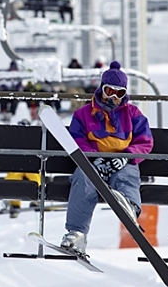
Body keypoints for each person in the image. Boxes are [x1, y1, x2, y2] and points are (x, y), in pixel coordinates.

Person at [60, 61, 154, 255]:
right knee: (83, 179)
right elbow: (77, 139)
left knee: (127, 176)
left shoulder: (133, 114)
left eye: (119, 93)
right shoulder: (83, 114)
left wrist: (127, 157)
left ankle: (129, 207)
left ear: (124, 94)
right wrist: (92, 158)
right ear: (101, 89)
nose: (113, 97)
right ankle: (76, 233)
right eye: (109, 90)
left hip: (122, 162)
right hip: (94, 163)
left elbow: (145, 141)